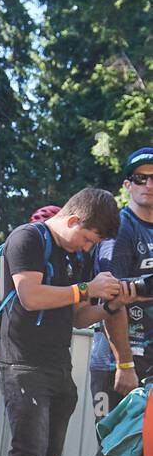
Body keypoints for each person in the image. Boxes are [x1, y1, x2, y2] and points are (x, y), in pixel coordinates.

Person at [0, 189, 125, 456]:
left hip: (57, 365)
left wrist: (109, 302)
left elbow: (78, 317)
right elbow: (30, 296)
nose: (88, 247)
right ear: (74, 221)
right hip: (20, 362)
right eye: (88, 239)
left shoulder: (72, 255)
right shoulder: (27, 238)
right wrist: (86, 289)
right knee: (26, 454)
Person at [89, 147, 153, 420]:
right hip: (118, 361)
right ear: (127, 185)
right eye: (140, 178)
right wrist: (124, 364)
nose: (149, 185)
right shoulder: (117, 228)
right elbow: (109, 296)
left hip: (149, 361)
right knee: (114, 449)